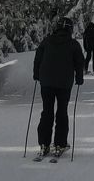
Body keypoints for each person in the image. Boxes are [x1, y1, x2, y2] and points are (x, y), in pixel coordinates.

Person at [31, 16, 86, 157]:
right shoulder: (73, 44)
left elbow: (38, 58)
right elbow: (80, 62)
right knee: (62, 112)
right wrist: (79, 78)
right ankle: (59, 144)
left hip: (46, 82)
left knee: (47, 111)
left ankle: (44, 143)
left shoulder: (47, 41)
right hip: (64, 83)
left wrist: (37, 75)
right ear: (70, 29)